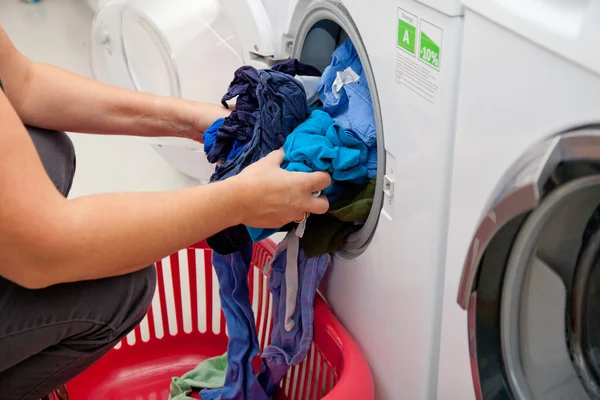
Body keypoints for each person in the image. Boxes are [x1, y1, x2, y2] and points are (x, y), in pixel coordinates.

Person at [0, 26, 331, 400]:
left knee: (43, 149)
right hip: (36, 250)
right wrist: (238, 200)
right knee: (119, 291)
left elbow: (22, 83)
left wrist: (195, 120)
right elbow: (46, 248)